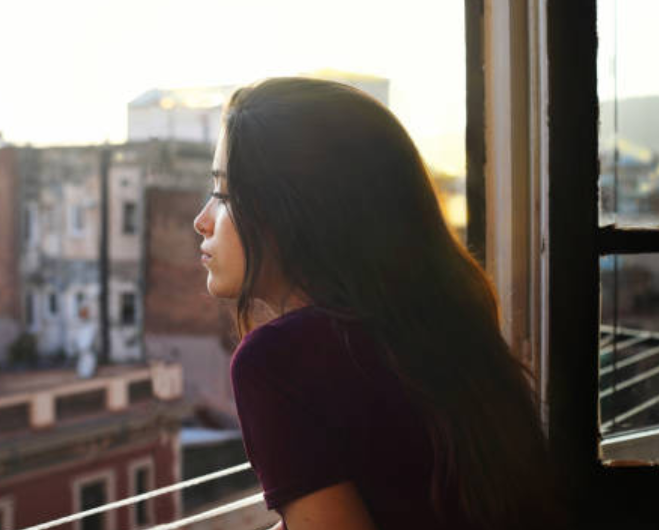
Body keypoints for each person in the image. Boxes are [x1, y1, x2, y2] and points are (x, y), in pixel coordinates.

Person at [193, 77, 564, 530]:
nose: (202, 221)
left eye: (224, 194)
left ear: (296, 212)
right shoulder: (437, 320)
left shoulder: (276, 361)